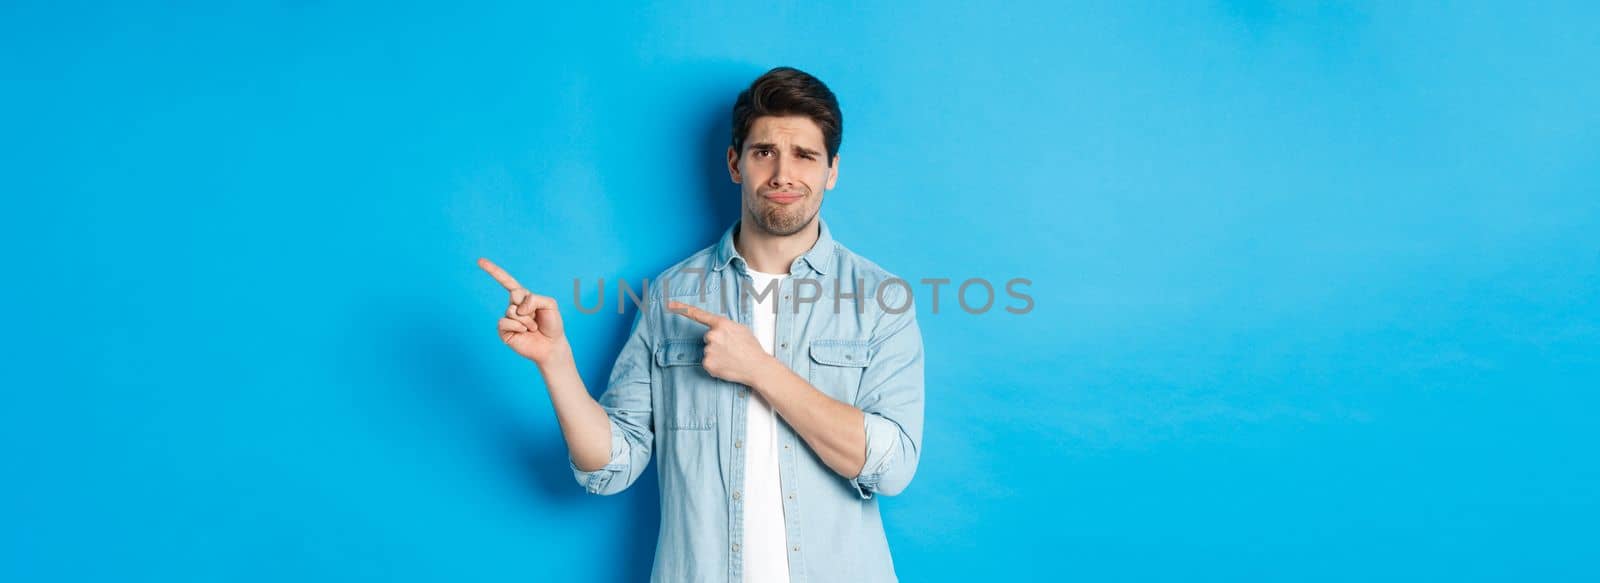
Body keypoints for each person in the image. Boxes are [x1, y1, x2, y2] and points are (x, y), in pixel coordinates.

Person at [478, 66, 924, 582]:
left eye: (805, 155)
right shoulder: (670, 295)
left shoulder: (880, 299)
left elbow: (892, 468)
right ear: (735, 163)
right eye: (764, 152)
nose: (783, 174)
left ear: (832, 170)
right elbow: (611, 466)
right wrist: (556, 362)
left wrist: (759, 369)